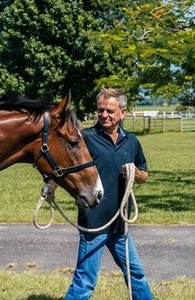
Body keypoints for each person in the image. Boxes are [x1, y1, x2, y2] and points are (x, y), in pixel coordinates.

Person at [63, 87, 153, 299]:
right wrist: (50, 188)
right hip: (94, 222)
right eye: (100, 110)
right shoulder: (84, 138)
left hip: (120, 224)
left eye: (110, 111)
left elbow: (144, 176)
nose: (104, 115)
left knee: (136, 274)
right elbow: (65, 167)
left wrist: (135, 173)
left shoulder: (131, 141)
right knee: (85, 279)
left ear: (123, 112)